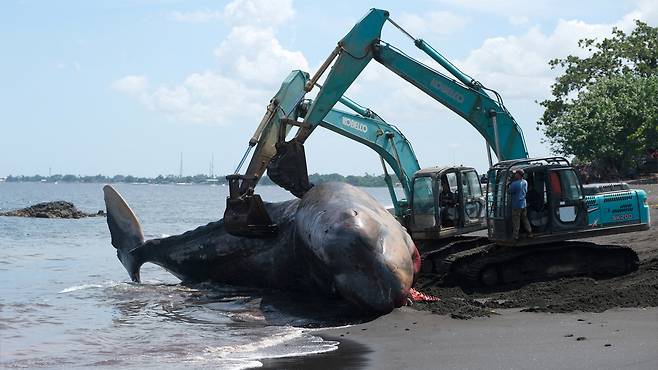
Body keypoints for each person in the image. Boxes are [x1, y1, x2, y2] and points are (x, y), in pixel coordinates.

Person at [509, 169, 533, 240]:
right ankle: (530, 232)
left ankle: (515, 236)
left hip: (516, 205)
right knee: (525, 219)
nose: (515, 175)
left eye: (516, 174)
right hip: (523, 204)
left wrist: (511, 181)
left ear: (518, 175)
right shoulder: (525, 182)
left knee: (516, 221)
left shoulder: (514, 184)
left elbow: (509, 191)